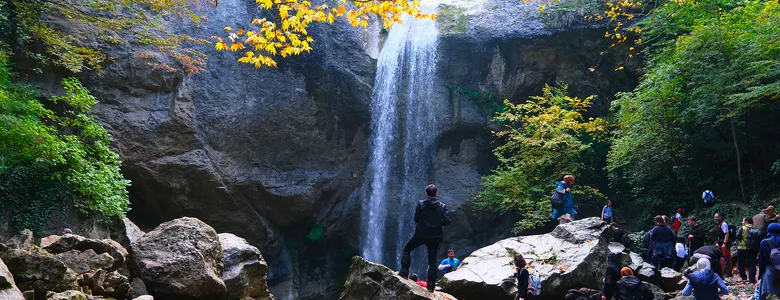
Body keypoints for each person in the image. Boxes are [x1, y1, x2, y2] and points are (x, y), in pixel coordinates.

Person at [398, 184, 451, 292]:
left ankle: (404, 272)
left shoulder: (421, 204)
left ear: (426, 194)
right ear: (437, 193)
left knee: (407, 250)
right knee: (432, 262)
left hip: (420, 235)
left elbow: (416, 218)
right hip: (434, 237)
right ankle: (431, 286)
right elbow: (447, 221)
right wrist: (437, 223)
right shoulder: (442, 206)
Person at [756, 223, 780, 299]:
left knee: (766, 292)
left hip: (770, 269)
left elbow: (761, 260)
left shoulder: (765, 242)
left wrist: (760, 275)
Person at [736, 216, 758, 283]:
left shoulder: (743, 228)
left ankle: (743, 277)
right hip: (752, 249)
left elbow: (738, 236)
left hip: (742, 248)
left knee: (741, 263)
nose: (742, 222)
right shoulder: (756, 229)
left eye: (743, 221)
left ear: (746, 222)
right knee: (752, 264)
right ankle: (752, 279)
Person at [714, 213, 732, 277]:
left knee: (727, 258)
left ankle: (729, 273)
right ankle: (723, 272)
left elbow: (726, 234)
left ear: (720, 217)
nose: (715, 218)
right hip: (720, 243)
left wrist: (724, 243)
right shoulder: (719, 224)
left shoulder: (724, 224)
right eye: (715, 217)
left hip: (724, 244)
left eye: (716, 217)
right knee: (722, 258)